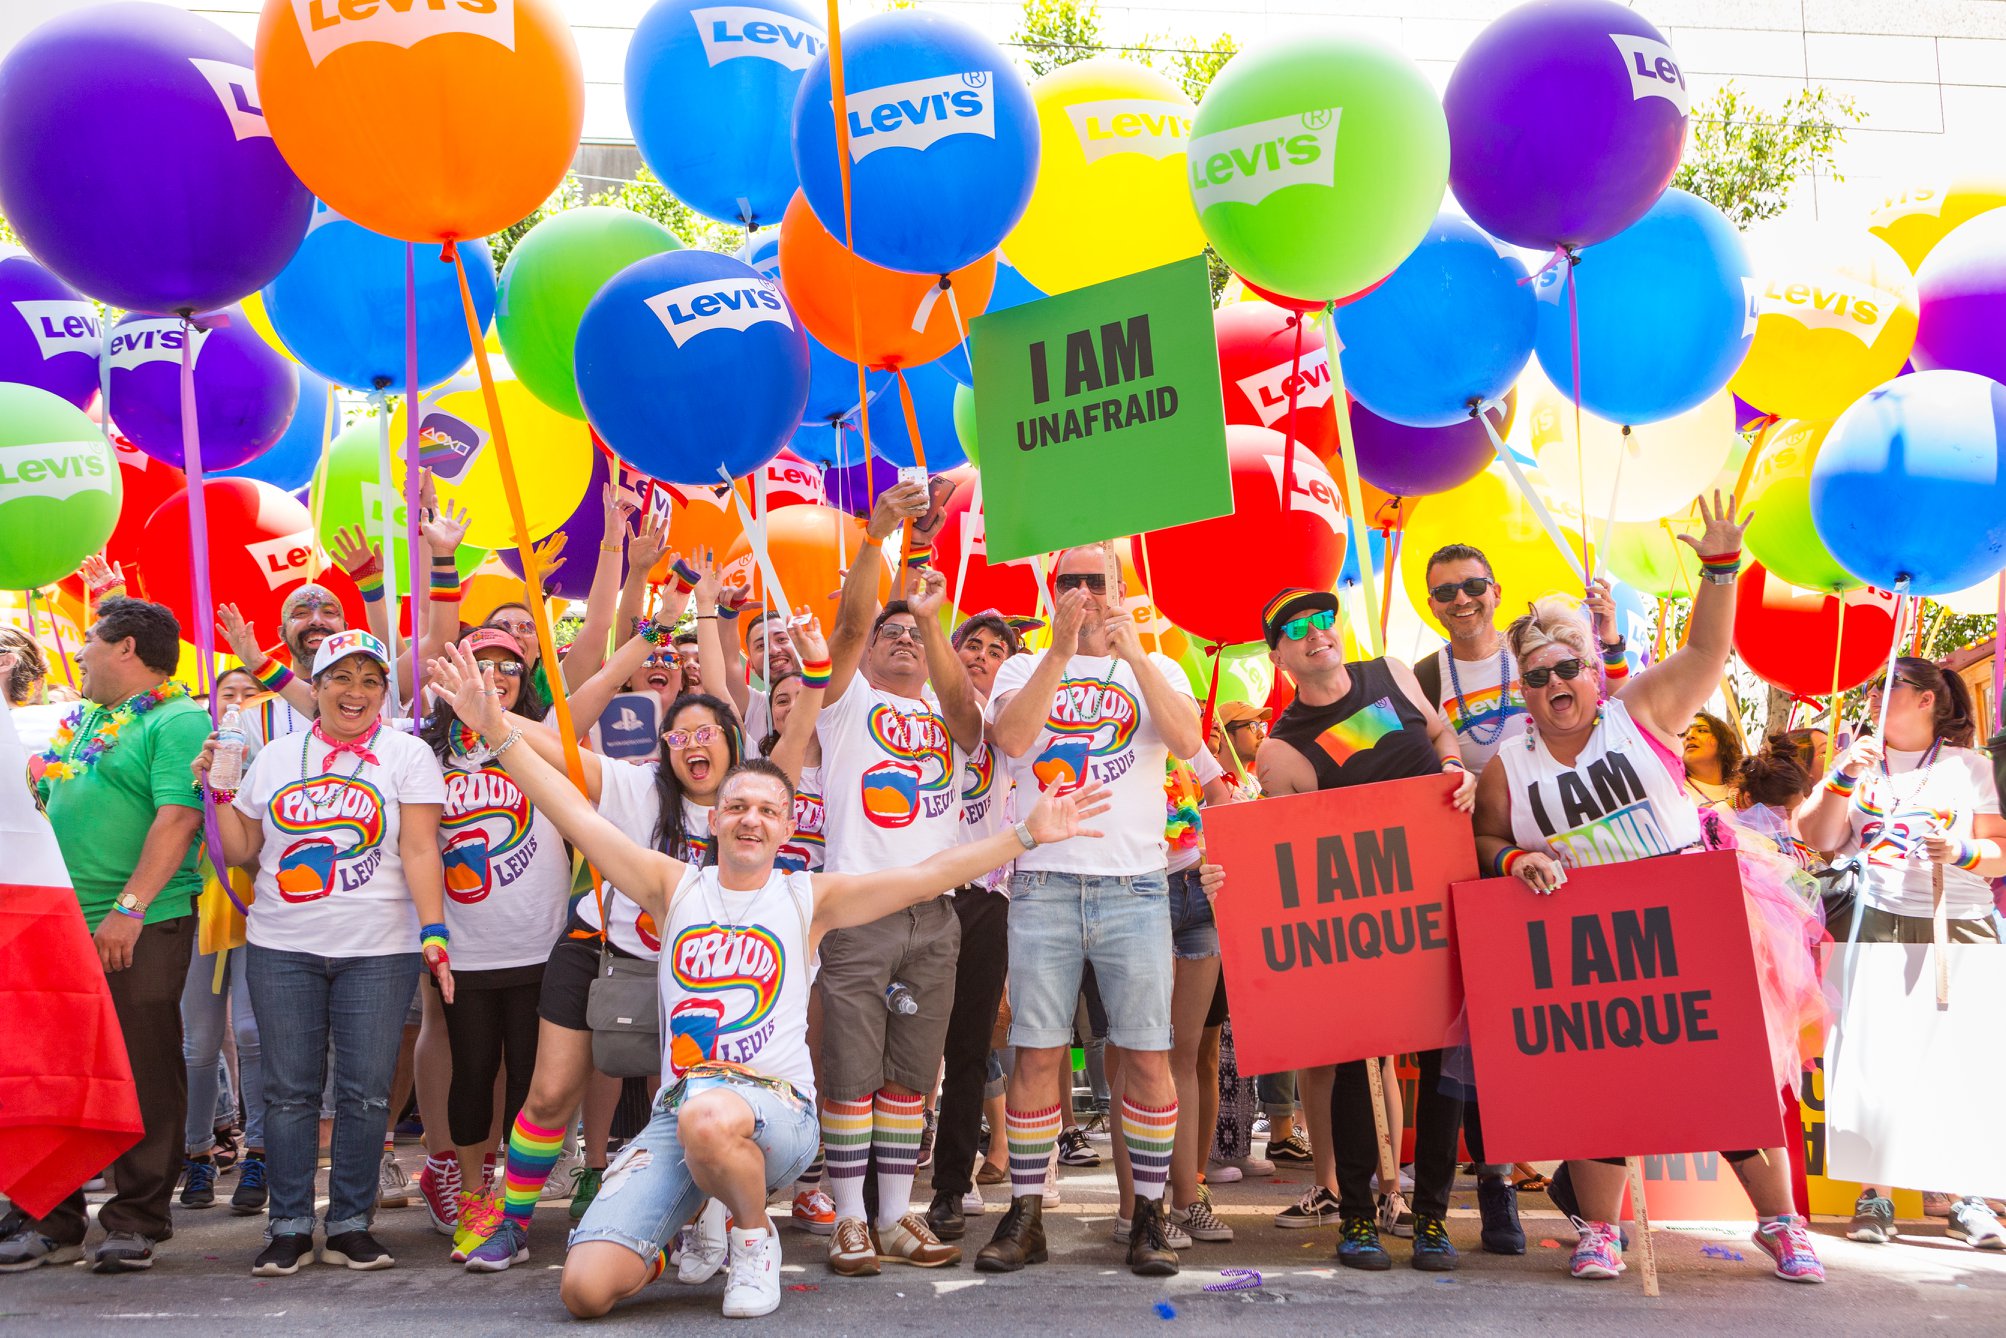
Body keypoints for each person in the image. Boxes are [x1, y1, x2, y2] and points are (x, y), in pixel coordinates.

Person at [425, 640, 1116, 1321]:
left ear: (788, 826)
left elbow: (927, 876)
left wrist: (1025, 835)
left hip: (774, 1114)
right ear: (716, 820)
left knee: (711, 1114)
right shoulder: (673, 886)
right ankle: (681, 1227)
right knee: (586, 1288)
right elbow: (572, 810)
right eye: (737, 808)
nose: (750, 818)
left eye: (766, 809)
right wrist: (499, 736)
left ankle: (751, 1235)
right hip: (682, 1114)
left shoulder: (807, 898)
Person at [1471, 493, 1827, 1285]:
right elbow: (1489, 835)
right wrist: (1509, 862)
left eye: (1569, 668)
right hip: (1594, 941)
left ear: (1592, 671)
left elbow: (1705, 652)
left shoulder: (1640, 714)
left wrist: (1720, 569)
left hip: (1695, 918)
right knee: (1606, 1089)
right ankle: (1601, 1230)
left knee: (1723, 1077)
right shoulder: (1507, 766)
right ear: (1522, 687)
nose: (1556, 682)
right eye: (1539, 675)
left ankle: (1782, 1225)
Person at [450, 677, 742, 1274]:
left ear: (732, 742)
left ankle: (685, 1226)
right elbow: (562, 748)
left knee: (688, 1106)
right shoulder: (637, 788)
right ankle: (513, 1224)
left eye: (705, 732)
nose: (692, 744)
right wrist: (493, 719)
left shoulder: (746, 807)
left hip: (697, 973)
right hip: (597, 947)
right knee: (551, 1093)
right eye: (679, 735)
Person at [193, 629, 453, 1277]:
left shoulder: (408, 754)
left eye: (370, 679)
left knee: (365, 1094)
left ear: (384, 691)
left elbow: (422, 849)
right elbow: (243, 847)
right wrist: (217, 793)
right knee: (287, 1092)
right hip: (283, 946)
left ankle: (348, 1225)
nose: (355, 691)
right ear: (315, 685)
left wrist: (434, 932)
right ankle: (287, 1225)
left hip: (380, 950)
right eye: (341, 677)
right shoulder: (277, 756)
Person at [979, 544, 1204, 1277]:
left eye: (1095, 581)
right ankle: (1027, 1214)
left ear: (1119, 586)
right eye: (1068, 581)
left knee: (1145, 1053)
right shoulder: (1021, 667)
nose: (1082, 592)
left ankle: (1148, 1215)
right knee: (1038, 1052)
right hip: (1044, 882)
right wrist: (1061, 651)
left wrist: (1135, 654)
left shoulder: (1159, 666)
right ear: (1051, 589)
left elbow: (1189, 742)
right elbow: (1010, 740)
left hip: (1135, 885)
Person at [1252, 587, 1476, 1273]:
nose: (1316, 631)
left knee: (1444, 1063)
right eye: (1296, 627)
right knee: (1352, 1060)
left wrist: (1453, 767)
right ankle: (1356, 1215)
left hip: (1440, 898)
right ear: (1279, 653)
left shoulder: (1393, 672)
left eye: (1324, 617)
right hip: (1360, 918)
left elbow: (1438, 735)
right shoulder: (1280, 749)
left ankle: (1432, 1219)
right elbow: (1289, 853)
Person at [0, 598, 209, 1273]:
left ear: (126, 649)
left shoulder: (179, 718)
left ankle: (138, 1216)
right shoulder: (86, 715)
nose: (80, 651)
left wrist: (130, 906)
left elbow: (178, 818)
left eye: (91, 638)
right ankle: (51, 1216)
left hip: (137, 922)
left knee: (140, 1065)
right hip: (59, 921)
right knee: (60, 1066)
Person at [815, 482, 982, 1275]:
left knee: (911, 1076)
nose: (901, 641)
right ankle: (848, 1218)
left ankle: (894, 1217)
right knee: (852, 1074)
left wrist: (931, 619)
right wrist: (875, 540)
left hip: (935, 916)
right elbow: (849, 626)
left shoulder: (950, 716)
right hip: (858, 911)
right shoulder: (843, 704)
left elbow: (967, 709)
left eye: (912, 636)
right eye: (893, 634)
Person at [1794, 655, 2006, 1250]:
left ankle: (1967, 1199)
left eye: (1891, 688)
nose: (1874, 698)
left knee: (1960, 1061)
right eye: (1871, 689)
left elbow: (2001, 854)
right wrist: (1838, 777)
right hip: (1877, 917)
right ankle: (1875, 1196)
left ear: (1927, 700)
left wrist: (1961, 852)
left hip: (1956, 922)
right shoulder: (1857, 763)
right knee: (1872, 1061)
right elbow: (1816, 838)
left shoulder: (1970, 768)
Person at [420, 628, 573, 1261]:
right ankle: (476, 1191)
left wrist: (657, 610)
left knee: (528, 1084)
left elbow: (590, 661)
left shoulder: (542, 739)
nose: (494, 673)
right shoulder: (424, 751)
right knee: (473, 1073)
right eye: (478, 663)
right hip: (465, 947)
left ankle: (514, 1206)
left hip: (539, 943)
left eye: (508, 665)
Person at [925, 610, 1026, 1244]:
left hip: (987, 902)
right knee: (903, 1056)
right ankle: (870, 1193)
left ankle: (948, 1189)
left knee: (969, 1053)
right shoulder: (913, 718)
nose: (982, 656)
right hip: (916, 897)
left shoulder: (1017, 730)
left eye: (995, 649)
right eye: (972, 645)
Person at [1412, 545, 1628, 774]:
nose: (1462, 599)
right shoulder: (1423, 679)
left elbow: (1617, 704)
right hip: (1489, 807)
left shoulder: (1535, 648)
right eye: (1445, 592)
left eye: (1473, 586)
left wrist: (1611, 643)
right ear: (1433, 606)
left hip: (1568, 797)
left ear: (1496, 593)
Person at [1682, 709, 1743, 808]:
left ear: (1723, 744)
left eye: (1702, 730)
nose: (1689, 736)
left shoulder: (1743, 793)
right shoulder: (1673, 788)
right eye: (1682, 734)